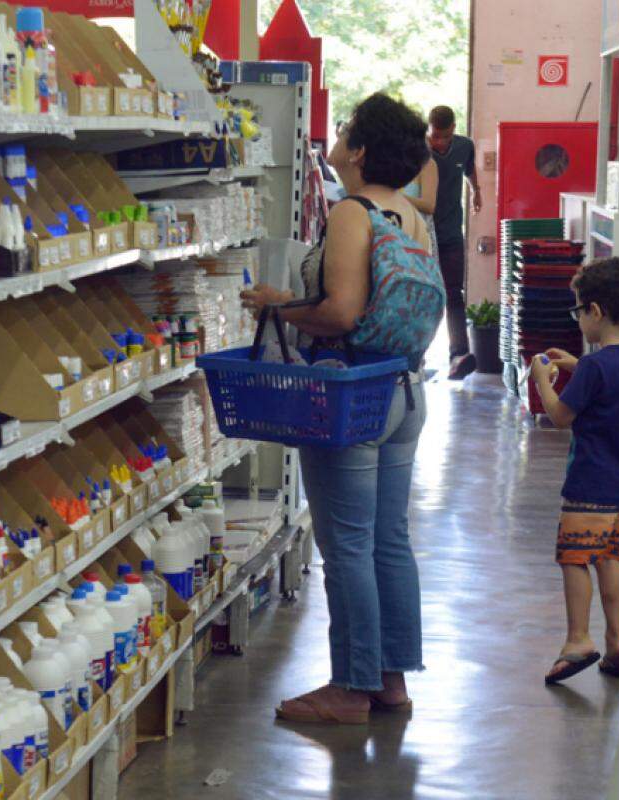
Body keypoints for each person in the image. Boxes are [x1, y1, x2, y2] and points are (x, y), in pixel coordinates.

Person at [240, 93, 443, 724]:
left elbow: (342, 312)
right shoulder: (410, 214)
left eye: (347, 129)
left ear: (357, 150)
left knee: (348, 546)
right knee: (388, 541)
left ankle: (350, 689)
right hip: (404, 391)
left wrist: (278, 304)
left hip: (351, 394)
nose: (339, 136)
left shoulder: (352, 212)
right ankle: (390, 681)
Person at [529, 257, 619, 685]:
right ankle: (616, 639)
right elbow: (608, 391)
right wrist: (575, 367)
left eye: (578, 310)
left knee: (576, 558)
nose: (578, 318)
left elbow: (561, 416)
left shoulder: (597, 366)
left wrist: (543, 380)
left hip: (589, 485)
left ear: (595, 312)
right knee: (610, 557)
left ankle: (578, 638)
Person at [428, 105, 482, 380]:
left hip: (450, 233)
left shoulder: (464, 147)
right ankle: (415, 353)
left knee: (454, 293)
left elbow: (470, 172)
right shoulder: (418, 151)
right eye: (436, 136)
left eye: (445, 137)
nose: (440, 143)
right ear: (429, 130)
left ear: (453, 131)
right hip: (422, 235)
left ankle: (458, 354)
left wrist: (476, 192)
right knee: (422, 294)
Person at [402, 155, 438, 259]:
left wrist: (394, 197)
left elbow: (429, 206)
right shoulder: (381, 163)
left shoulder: (426, 164)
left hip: (416, 238)